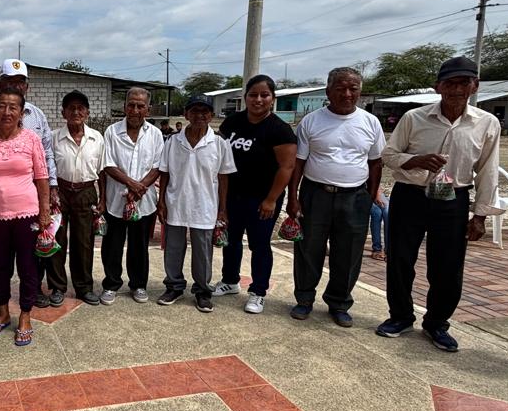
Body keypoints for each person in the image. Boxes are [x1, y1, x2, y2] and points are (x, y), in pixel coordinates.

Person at [378, 56, 502, 351]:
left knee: (447, 265)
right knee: (400, 259)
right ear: (438, 87)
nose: (457, 89)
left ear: (475, 86)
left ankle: (437, 323)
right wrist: (415, 160)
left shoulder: (486, 123)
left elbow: (488, 170)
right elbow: (388, 155)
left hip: (453, 199)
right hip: (411, 195)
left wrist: (480, 216)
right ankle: (400, 316)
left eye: (464, 83)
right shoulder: (414, 118)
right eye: (450, 83)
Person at [286, 67, 385, 327]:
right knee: (309, 249)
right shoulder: (311, 121)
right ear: (328, 91)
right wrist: (293, 197)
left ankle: (339, 303)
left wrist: (371, 195)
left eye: (353, 89)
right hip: (316, 194)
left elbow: (375, 162)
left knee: (349, 253)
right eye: (340, 88)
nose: (347, 94)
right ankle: (304, 299)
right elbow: (298, 162)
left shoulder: (370, 122)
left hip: (355, 197)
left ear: (360, 92)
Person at [0, 60, 59, 305]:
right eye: (10, 81)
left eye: (20, 81)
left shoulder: (36, 120)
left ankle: (27, 306)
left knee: (29, 263)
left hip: (27, 210)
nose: (7, 112)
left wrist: (47, 202)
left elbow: (44, 162)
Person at [0, 88, 51, 346]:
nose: (7, 112)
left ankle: (25, 315)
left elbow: (42, 177)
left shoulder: (31, 139)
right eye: (2, 106)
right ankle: (3, 312)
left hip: (27, 215)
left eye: (13, 107)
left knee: (28, 267)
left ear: (21, 113)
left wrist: (45, 211)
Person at [213, 75, 297, 313]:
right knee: (231, 240)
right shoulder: (232, 123)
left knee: (259, 244)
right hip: (232, 195)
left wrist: (271, 199)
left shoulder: (280, 130)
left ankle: (258, 291)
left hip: (262, 199)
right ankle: (230, 280)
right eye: (253, 95)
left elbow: (287, 167)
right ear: (245, 97)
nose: (258, 99)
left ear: (273, 98)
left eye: (264, 95)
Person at [156, 95, 236, 312]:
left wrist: (223, 209)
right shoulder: (173, 141)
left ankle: (202, 291)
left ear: (211, 115)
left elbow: (224, 177)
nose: (200, 115)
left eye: (205, 111)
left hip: (205, 205)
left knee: (203, 252)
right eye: (195, 111)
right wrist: (161, 202)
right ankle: (174, 286)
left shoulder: (219, 142)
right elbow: (164, 173)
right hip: (176, 202)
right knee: (173, 248)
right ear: (186, 114)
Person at [99, 87, 165, 304]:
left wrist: (140, 188)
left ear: (148, 109)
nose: (135, 110)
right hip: (116, 200)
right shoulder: (111, 132)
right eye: (131, 105)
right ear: (124, 107)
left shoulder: (155, 134)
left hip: (144, 202)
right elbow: (108, 164)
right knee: (112, 245)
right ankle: (111, 284)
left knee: (139, 246)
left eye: (140, 106)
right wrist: (131, 184)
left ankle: (138, 284)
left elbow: (158, 166)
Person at [49, 90, 104, 306]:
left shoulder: (96, 138)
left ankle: (84, 287)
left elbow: (102, 172)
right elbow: (47, 169)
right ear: (63, 113)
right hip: (59, 191)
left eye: (80, 108)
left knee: (84, 242)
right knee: (57, 240)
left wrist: (103, 199)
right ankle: (57, 287)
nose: (76, 112)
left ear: (87, 113)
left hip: (86, 192)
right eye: (71, 108)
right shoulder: (54, 137)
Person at [369, 187, 388, 261]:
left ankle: (388, 250)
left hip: (376, 191)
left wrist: (378, 193)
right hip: (363, 192)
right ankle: (377, 249)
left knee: (387, 212)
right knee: (377, 212)